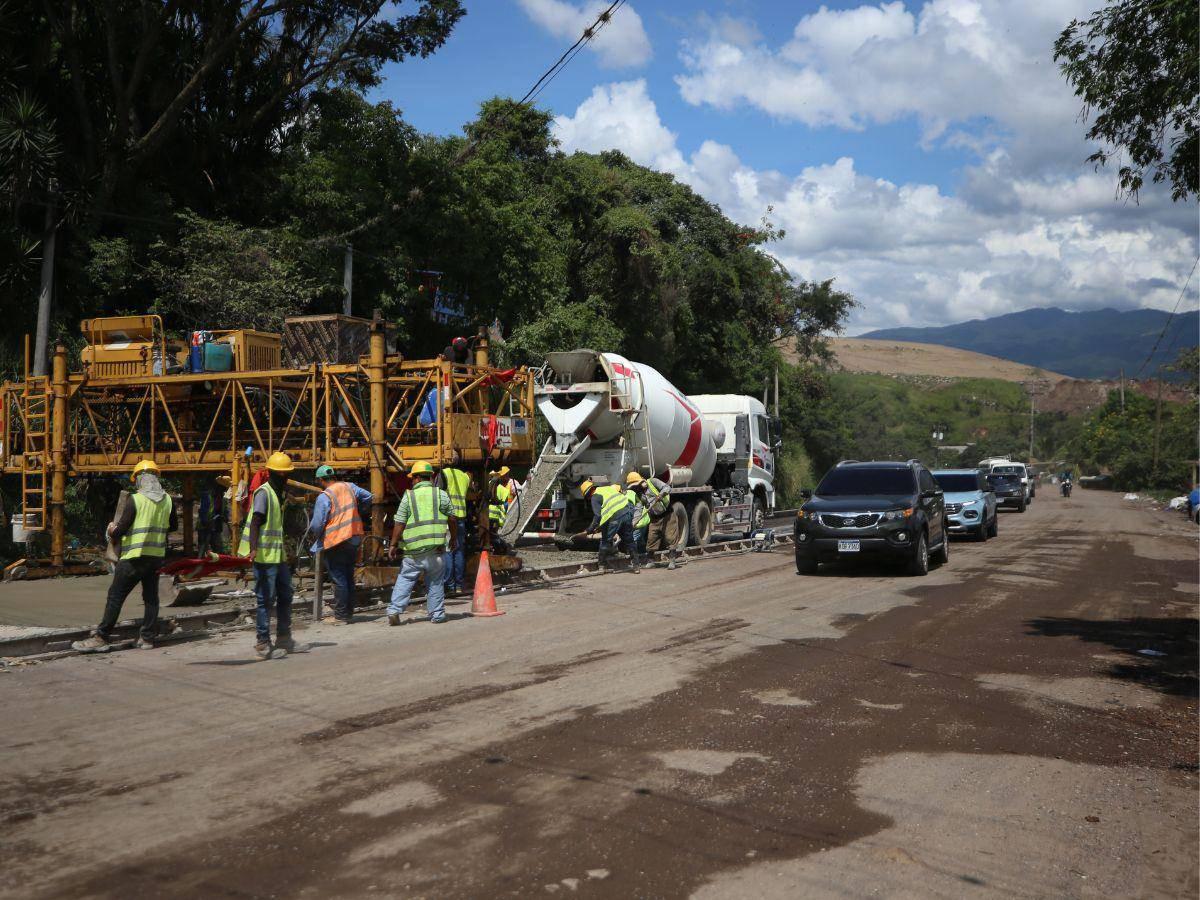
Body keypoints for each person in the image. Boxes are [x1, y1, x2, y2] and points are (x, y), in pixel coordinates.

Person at [72, 460, 177, 652]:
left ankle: (102, 637)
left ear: (138, 479)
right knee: (151, 598)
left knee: (115, 596)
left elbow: (120, 531)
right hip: (155, 558)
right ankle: (147, 639)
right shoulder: (168, 500)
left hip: (133, 558)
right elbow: (174, 526)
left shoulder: (135, 500)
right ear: (156, 478)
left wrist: (112, 530)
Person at [237, 452, 302, 659]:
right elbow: (256, 521)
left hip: (277, 556)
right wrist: (254, 549)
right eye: (284, 474)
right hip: (264, 557)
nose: (286, 478)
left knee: (286, 595)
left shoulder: (278, 494)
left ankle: (284, 637)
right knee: (265, 600)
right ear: (275, 474)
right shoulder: (264, 493)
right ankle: (263, 643)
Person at [386, 461, 459, 625]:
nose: (412, 481)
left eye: (412, 478)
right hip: (436, 550)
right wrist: (453, 539)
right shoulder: (441, 494)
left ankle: (394, 610)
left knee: (405, 579)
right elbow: (452, 519)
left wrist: (393, 544)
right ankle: (437, 615)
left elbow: (399, 523)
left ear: (417, 478)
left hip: (413, 552)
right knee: (436, 582)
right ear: (430, 477)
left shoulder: (408, 496)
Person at [310, 464, 373, 625]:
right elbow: (368, 496)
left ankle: (341, 616)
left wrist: (317, 537)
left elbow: (317, 524)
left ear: (321, 480)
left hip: (335, 540)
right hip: (353, 537)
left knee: (339, 578)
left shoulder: (324, 496)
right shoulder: (349, 487)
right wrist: (361, 511)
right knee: (347, 576)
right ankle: (348, 612)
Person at [580, 478, 640, 574]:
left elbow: (598, 516)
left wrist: (589, 530)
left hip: (615, 517)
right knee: (629, 540)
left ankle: (601, 566)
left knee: (605, 540)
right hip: (626, 512)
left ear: (587, 494)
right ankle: (636, 566)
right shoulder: (607, 488)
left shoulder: (595, 497)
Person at [626, 471, 680, 569]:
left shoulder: (652, 482)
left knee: (670, 538)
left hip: (667, 515)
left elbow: (667, 487)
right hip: (654, 518)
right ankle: (651, 561)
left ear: (640, 482)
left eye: (635, 486)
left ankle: (672, 561)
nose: (635, 488)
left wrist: (661, 494)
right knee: (651, 539)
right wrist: (634, 522)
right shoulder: (639, 494)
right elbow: (638, 509)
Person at [439, 454, 471, 596]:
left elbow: (437, 494)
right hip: (461, 518)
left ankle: (449, 586)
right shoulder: (465, 476)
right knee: (458, 551)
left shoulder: (444, 474)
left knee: (448, 551)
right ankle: (458, 585)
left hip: (448, 518)